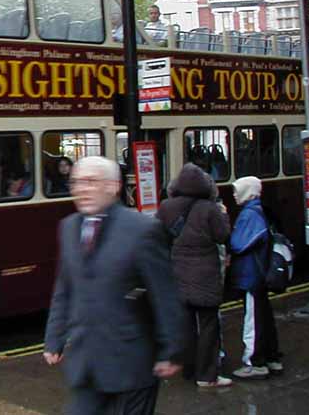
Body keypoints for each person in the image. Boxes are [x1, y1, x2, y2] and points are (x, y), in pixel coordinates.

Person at [43, 156, 185, 415]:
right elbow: (64, 288)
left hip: (131, 363)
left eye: (90, 182)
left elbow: (164, 294)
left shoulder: (142, 229)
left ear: (113, 186)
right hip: (86, 363)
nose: (81, 189)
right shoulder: (68, 227)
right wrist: (54, 338)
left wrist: (172, 350)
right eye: (76, 182)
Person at [156, 163, 232, 388]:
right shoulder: (209, 208)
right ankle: (207, 375)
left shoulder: (166, 207)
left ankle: (188, 369)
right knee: (209, 325)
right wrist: (224, 217)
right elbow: (223, 235)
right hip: (205, 274)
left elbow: (158, 237)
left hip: (178, 271)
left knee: (186, 325)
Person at [229, 176, 283, 379]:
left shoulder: (249, 215)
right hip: (257, 274)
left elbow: (238, 243)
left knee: (253, 320)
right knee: (264, 317)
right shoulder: (258, 210)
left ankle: (254, 362)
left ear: (248, 192)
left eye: (237, 190)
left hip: (251, 274)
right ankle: (272, 358)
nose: (234, 194)